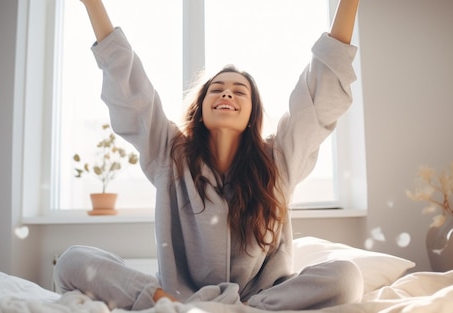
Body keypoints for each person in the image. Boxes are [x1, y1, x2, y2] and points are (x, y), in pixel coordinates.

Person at [55, 0, 362, 310]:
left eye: (239, 91)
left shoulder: (279, 161)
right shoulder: (168, 153)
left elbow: (318, 97)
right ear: (201, 108)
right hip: (178, 300)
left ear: (252, 113)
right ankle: (167, 305)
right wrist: (92, 3)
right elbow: (131, 91)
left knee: (347, 276)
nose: (227, 93)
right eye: (216, 89)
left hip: (259, 300)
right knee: (72, 261)